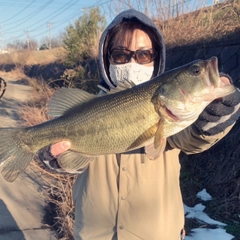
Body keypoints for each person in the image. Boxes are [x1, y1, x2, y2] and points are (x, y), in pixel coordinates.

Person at [38, 9, 240, 240]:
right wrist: (55, 159)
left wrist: (215, 115)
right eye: (121, 55)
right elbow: (70, 158)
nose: (132, 62)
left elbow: (193, 139)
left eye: (144, 55)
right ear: (107, 58)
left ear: (157, 59)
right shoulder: (85, 108)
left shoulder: (174, 116)